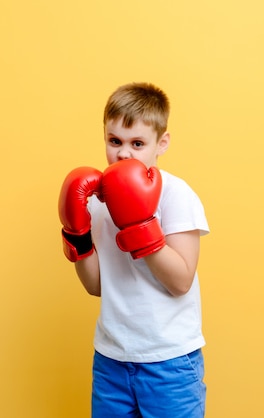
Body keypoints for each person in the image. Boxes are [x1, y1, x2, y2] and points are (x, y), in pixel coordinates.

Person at [58, 82, 210, 418]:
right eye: (115, 142)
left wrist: (140, 225)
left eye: (137, 143)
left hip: (169, 360)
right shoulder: (97, 201)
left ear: (162, 143)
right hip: (112, 357)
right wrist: (77, 235)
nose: (124, 153)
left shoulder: (176, 195)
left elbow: (181, 281)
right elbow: (96, 286)